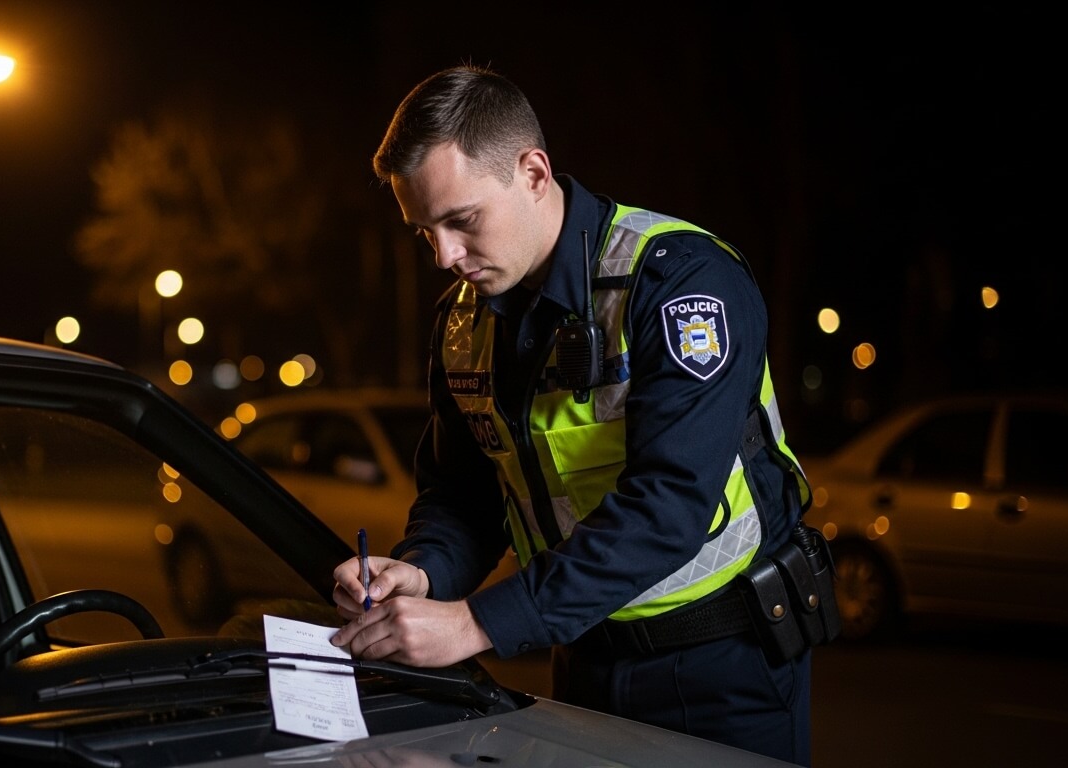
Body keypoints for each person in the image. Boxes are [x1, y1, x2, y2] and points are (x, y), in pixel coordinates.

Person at [330, 63, 817, 765]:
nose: (444, 256)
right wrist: (424, 572)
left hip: (724, 666)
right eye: (423, 232)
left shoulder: (678, 282)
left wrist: (475, 623)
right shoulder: (462, 325)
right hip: (580, 661)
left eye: (461, 220)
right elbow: (463, 498)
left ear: (533, 172)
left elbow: (671, 504)